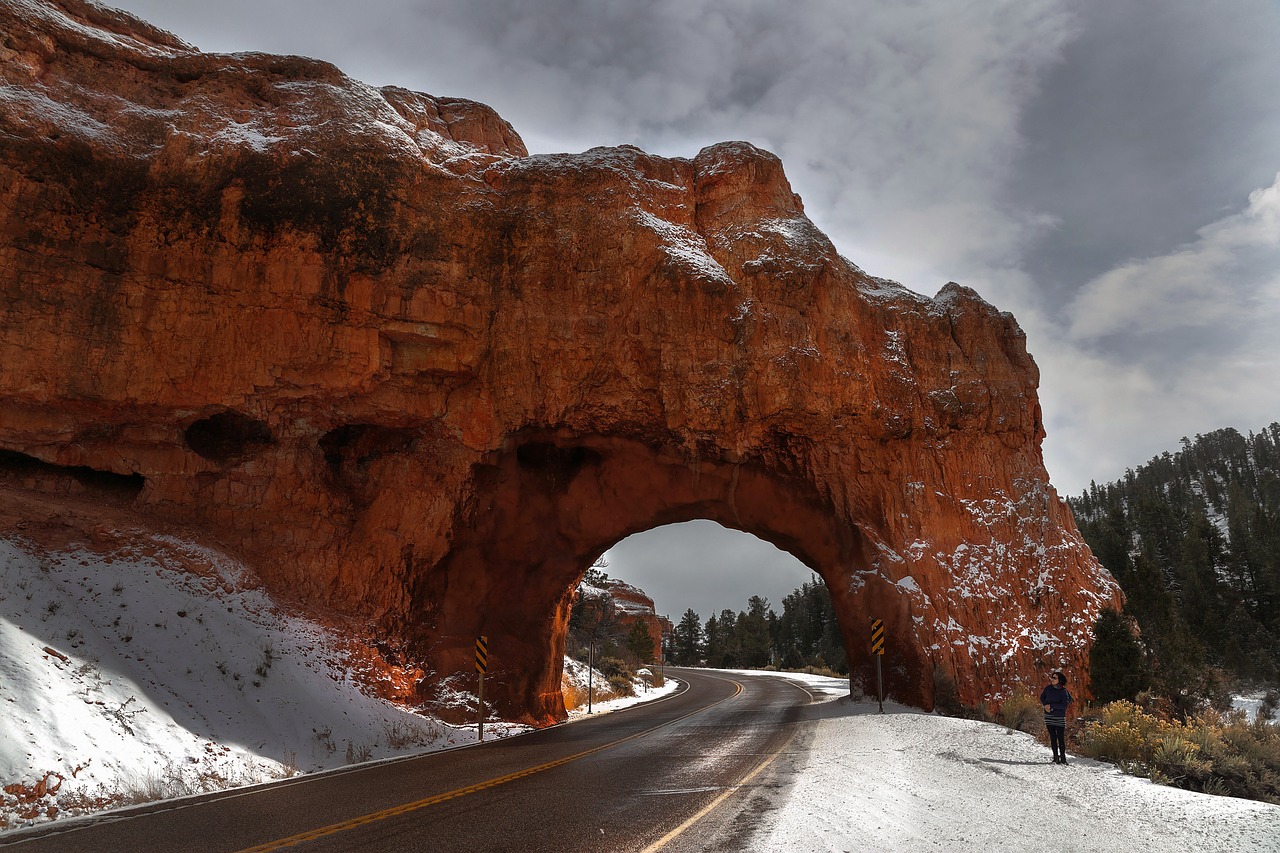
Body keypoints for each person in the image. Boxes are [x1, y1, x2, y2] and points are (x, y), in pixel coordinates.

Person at [1040, 671, 1073, 764]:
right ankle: (1055, 757)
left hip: (1059, 717)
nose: (1052, 679)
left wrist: (1051, 706)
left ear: (1060, 680)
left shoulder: (1063, 691)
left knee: (1060, 737)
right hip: (1049, 716)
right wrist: (1045, 705)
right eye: (1052, 677)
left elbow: (1064, 705)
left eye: (1055, 678)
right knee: (1053, 737)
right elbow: (1042, 698)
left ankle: (1063, 758)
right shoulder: (1048, 689)